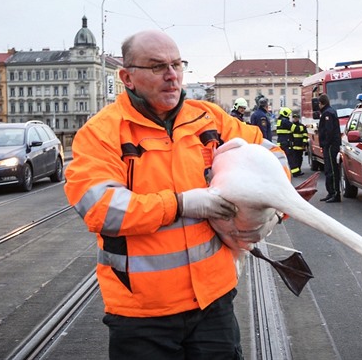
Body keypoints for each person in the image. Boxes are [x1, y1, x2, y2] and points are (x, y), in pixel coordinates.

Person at [64, 30, 288, 360]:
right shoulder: (101, 134)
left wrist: (275, 209)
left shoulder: (208, 118)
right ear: (127, 77)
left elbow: (273, 154)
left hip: (213, 302)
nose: (172, 76)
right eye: (157, 67)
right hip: (142, 314)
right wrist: (181, 204)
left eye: (176, 64)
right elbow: (100, 208)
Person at [318, 94, 342, 203]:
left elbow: (329, 131)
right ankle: (331, 192)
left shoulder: (327, 113)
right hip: (330, 145)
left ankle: (335, 194)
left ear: (321, 103)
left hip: (331, 145)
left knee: (332, 170)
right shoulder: (328, 112)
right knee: (328, 169)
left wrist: (325, 143)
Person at [276, 107, 297, 173]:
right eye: (288, 114)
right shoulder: (284, 121)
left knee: (282, 158)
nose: (289, 116)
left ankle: (282, 171)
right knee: (290, 157)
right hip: (285, 142)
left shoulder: (279, 120)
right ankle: (295, 172)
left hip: (281, 142)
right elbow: (294, 128)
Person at [290, 112, 308, 177]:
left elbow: (305, 135)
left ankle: (298, 170)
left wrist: (304, 143)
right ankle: (295, 172)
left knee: (299, 159)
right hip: (293, 146)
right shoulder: (291, 126)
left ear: (298, 118)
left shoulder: (302, 126)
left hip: (300, 146)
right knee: (294, 159)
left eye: (296, 118)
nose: (295, 119)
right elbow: (289, 135)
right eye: (294, 118)